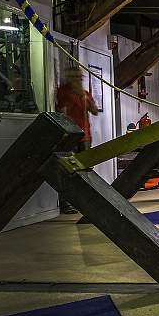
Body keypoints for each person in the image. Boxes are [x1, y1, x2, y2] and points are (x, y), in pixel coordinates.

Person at [56, 65, 99, 214]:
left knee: (86, 169)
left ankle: (85, 201)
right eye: (74, 76)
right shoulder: (63, 92)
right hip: (70, 135)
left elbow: (94, 112)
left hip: (85, 136)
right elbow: (61, 110)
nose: (77, 79)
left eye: (79, 77)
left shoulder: (85, 93)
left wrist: (88, 101)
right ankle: (67, 203)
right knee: (68, 169)